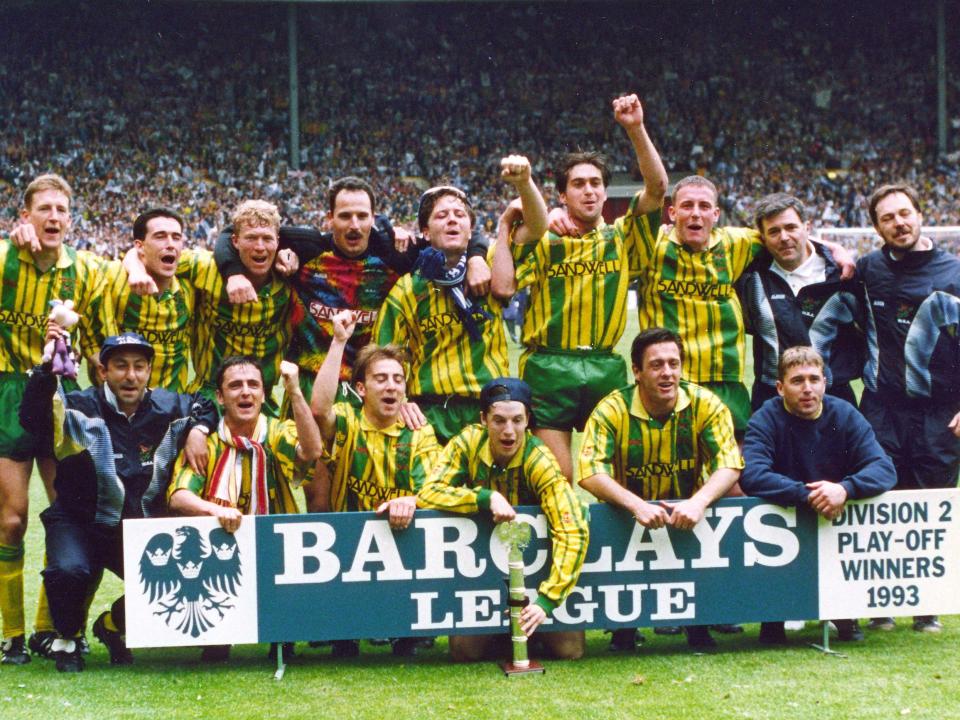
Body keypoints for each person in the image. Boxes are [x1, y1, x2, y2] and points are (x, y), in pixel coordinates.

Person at [17, 332, 217, 672]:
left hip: (135, 530)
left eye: (139, 367)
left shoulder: (169, 407)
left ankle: (112, 625)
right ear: (103, 371)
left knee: (187, 578)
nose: (130, 375)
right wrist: (45, 369)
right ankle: (65, 639)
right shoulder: (79, 405)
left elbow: (207, 404)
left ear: (150, 371)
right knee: (69, 569)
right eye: (121, 366)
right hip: (80, 522)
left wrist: (198, 430)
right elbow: (32, 416)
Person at [496, 94, 667, 482]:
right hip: (549, 366)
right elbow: (503, 286)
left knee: (626, 475)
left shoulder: (623, 236)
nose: (589, 191)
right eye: (578, 184)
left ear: (606, 194)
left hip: (606, 365)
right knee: (557, 478)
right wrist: (514, 215)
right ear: (562, 195)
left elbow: (657, 188)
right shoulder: (543, 238)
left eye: (595, 184)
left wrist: (635, 128)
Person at [0, 174, 112, 666]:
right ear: (25, 216)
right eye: (43, 208)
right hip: (8, 390)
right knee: (12, 520)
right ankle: (11, 633)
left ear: (71, 218)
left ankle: (54, 627)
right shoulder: (5, 259)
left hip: (60, 400)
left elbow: (133, 259)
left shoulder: (85, 270)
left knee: (68, 514)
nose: (53, 217)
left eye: (61, 210)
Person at [577, 327, 743, 650]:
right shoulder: (612, 409)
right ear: (637, 371)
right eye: (656, 365)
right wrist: (635, 505)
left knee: (727, 499)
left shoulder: (705, 404)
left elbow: (731, 463)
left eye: (674, 363)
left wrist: (699, 501)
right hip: (628, 514)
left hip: (688, 512)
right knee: (614, 521)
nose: (667, 373)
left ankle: (701, 622)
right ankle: (623, 627)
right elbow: (589, 473)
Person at [417, 378, 589, 661]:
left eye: (517, 420)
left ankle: (528, 630)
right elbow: (428, 492)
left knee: (570, 650)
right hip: (482, 570)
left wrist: (547, 600)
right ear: (483, 419)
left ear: (527, 421)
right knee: (463, 652)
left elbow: (573, 531)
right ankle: (502, 635)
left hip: (534, 572)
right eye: (499, 420)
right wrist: (484, 498)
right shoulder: (467, 443)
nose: (508, 431)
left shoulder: (540, 460)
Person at [167, 355, 323, 662]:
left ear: (264, 395)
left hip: (274, 548)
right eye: (235, 386)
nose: (246, 392)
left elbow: (312, 450)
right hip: (220, 542)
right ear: (220, 397)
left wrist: (294, 392)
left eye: (254, 385)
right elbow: (178, 496)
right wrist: (216, 511)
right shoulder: (206, 443)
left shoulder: (277, 432)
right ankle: (218, 636)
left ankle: (282, 633)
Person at [856, 183, 960, 634]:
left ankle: (927, 605)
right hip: (882, 406)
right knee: (881, 499)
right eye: (887, 218)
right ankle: (882, 601)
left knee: (931, 503)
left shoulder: (954, 272)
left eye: (904, 214)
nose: (898, 223)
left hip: (940, 409)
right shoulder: (866, 270)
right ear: (876, 227)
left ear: (921, 214)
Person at [740, 346, 896, 644]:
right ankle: (772, 619)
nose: (808, 389)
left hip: (835, 519)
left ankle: (844, 614)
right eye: (798, 381)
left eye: (814, 379)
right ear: (779, 387)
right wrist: (808, 495)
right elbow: (752, 475)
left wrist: (844, 489)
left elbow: (884, 469)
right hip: (782, 519)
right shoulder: (765, 418)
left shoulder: (844, 413)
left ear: (825, 382)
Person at [310, 310, 441, 657]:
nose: (391, 385)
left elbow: (434, 487)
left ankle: (408, 630)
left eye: (398, 379)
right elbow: (319, 409)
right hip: (347, 555)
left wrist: (412, 500)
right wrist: (340, 341)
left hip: (402, 547)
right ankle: (345, 630)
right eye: (381, 378)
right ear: (361, 389)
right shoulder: (349, 422)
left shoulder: (419, 431)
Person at [373, 160, 529, 444]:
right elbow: (382, 355)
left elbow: (535, 226)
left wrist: (519, 192)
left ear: (471, 230)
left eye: (459, 215)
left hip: (488, 409)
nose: (452, 220)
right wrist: (401, 399)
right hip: (429, 414)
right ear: (425, 232)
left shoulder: (494, 266)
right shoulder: (408, 289)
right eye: (442, 215)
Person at [125, 200, 293, 414]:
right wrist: (136, 270)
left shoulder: (289, 277)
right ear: (235, 241)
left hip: (261, 399)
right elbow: (142, 254)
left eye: (267, 239)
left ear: (277, 242)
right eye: (251, 238)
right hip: (209, 395)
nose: (259, 246)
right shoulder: (205, 267)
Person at [738, 193, 864, 409]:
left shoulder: (842, 275)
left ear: (807, 227)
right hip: (771, 399)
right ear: (763, 237)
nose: (784, 237)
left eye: (791, 227)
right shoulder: (751, 275)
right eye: (774, 231)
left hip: (833, 399)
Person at [101, 208, 196, 391]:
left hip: (173, 405)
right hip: (119, 407)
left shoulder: (190, 285)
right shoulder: (114, 278)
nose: (170, 244)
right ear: (139, 245)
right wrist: (134, 268)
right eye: (160, 236)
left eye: (176, 237)